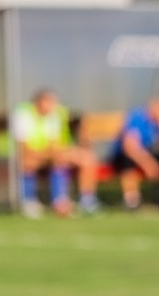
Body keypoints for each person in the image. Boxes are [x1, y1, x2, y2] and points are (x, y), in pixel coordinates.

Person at [11, 89, 99, 217]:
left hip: (46, 155)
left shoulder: (53, 115)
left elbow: (54, 144)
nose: (54, 106)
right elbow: (23, 148)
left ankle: (77, 201)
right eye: (50, 102)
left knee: (85, 158)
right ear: (39, 102)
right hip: (25, 155)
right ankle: (28, 201)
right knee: (28, 162)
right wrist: (51, 153)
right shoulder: (23, 114)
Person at [111, 96, 159, 210]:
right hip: (125, 155)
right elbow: (130, 147)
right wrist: (149, 164)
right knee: (127, 163)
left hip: (146, 154)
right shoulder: (137, 117)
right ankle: (132, 200)